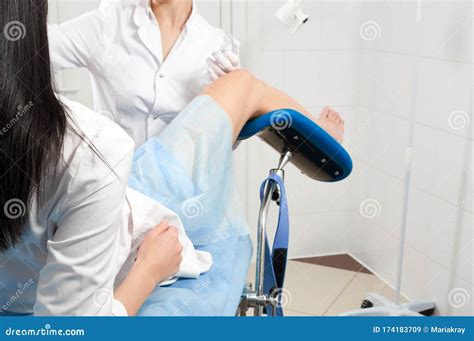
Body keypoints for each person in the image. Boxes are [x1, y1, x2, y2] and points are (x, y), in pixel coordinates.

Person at [0, 0, 344, 316]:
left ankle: (315, 132)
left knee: (239, 81)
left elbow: (217, 149)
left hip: (175, 180)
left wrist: (223, 113)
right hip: (130, 183)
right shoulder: (107, 24)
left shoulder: (216, 42)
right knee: (244, 84)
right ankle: (319, 133)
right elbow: (27, 49)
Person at [48, 0, 241, 145]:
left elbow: (227, 142)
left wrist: (231, 100)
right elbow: (34, 49)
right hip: (116, 186)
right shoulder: (109, 24)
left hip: (181, 191)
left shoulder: (216, 43)